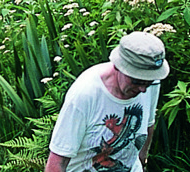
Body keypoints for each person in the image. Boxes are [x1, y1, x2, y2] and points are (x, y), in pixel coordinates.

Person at [45, 32, 169, 172]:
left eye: (149, 81)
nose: (143, 89)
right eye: (137, 81)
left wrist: (142, 161)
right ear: (118, 66)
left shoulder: (151, 83)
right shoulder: (85, 94)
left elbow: (148, 125)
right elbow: (57, 161)